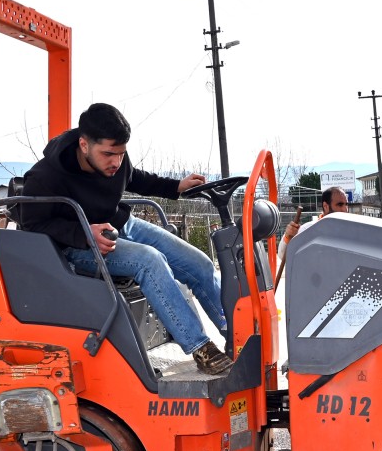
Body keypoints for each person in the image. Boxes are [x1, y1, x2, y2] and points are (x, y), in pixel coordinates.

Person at [17, 103, 232, 375]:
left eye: (121, 154)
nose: (116, 162)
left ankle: (236, 335)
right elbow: (34, 225)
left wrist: (175, 186)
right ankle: (200, 347)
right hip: (76, 245)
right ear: (84, 145)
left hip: (120, 224)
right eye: (108, 154)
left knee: (198, 263)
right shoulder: (45, 177)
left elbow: (135, 178)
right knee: (149, 260)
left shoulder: (116, 160)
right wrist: (85, 233)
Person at [280, 186, 349, 246]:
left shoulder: (352, 230)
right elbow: (282, 255)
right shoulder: (306, 230)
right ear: (326, 206)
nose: (345, 209)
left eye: (346, 204)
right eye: (340, 204)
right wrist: (288, 237)